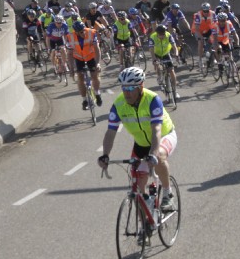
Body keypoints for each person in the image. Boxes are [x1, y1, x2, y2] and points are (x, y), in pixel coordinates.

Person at [98, 66, 178, 212]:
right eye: (124, 88)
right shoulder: (118, 105)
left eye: (130, 88)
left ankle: (168, 194)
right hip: (141, 144)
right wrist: (105, 155)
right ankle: (147, 217)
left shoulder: (152, 100)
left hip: (164, 136)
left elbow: (156, 130)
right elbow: (110, 132)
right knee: (137, 187)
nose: (126, 92)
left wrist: (153, 154)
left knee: (159, 155)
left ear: (140, 87)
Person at [66, 19, 103, 110]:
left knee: (95, 75)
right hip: (79, 58)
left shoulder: (91, 33)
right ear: (76, 32)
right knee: (80, 78)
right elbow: (69, 54)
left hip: (90, 56)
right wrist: (71, 69)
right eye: (81, 32)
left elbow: (97, 49)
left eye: (83, 30)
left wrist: (98, 63)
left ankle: (97, 94)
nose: (83, 33)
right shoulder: (70, 37)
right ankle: (84, 100)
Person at [148, 23, 181, 102]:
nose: (162, 36)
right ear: (157, 33)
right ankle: (159, 77)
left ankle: (175, 91)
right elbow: (151, 50)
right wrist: (154, 60)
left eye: (163, 34)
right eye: (160, 34)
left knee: (172, 71)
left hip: (166, 54)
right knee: (158, 66)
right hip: (157, 54)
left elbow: (174, 46)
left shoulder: (168, 35)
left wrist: (176, 54)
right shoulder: (152, 37)